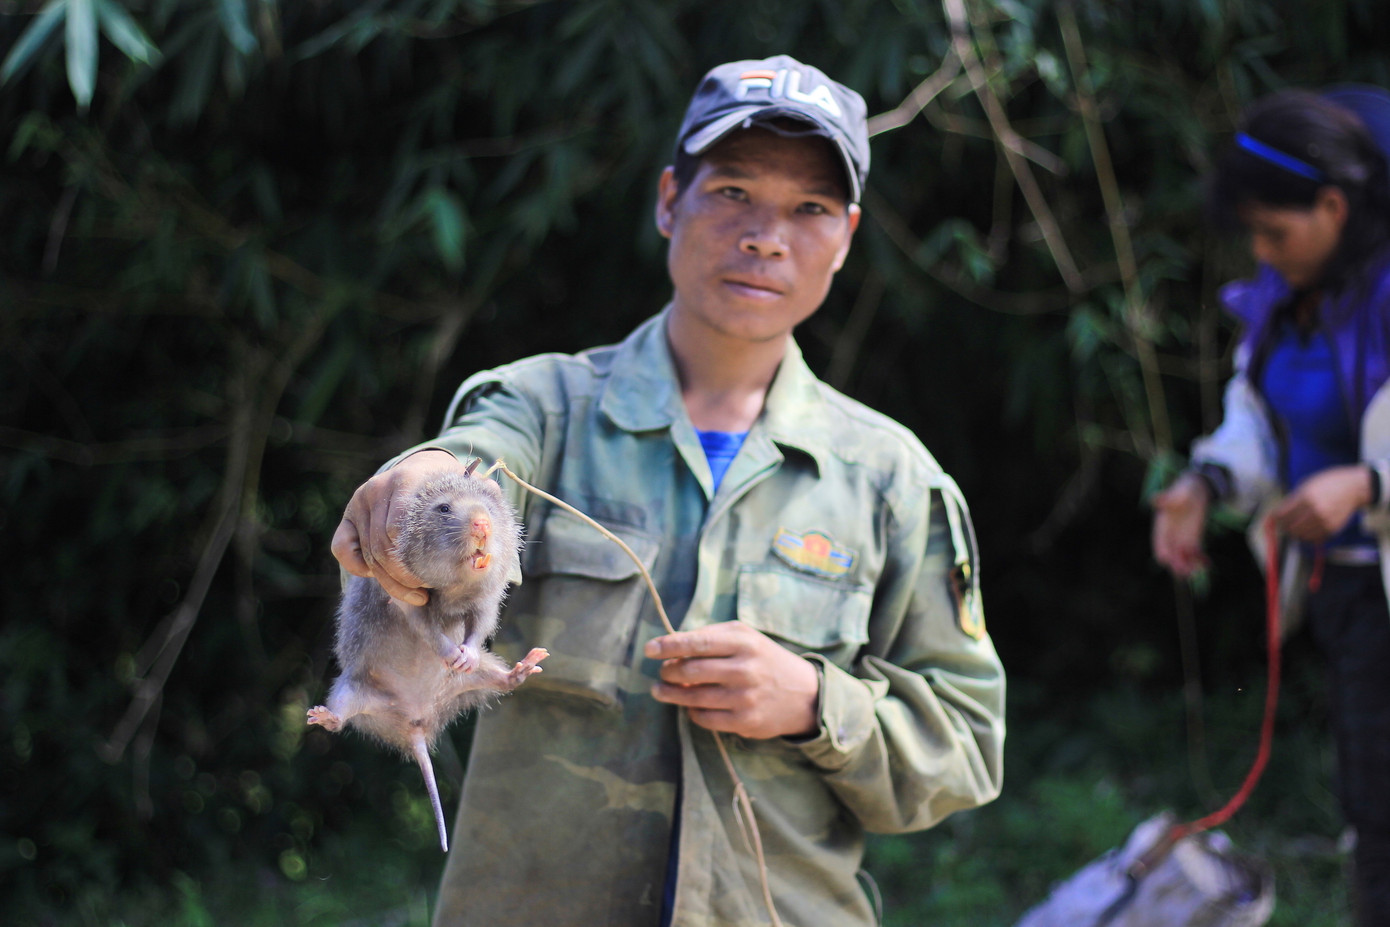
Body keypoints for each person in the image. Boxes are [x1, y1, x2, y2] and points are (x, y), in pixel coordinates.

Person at [331, 54, 1005, 926]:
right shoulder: (543, 407)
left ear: (846, 238)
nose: (766, 234)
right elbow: (475, 466)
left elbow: (967, 749)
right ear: (667, 200)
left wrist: (812, 703)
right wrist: (418, 487)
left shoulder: (892, 480)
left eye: (810, 208)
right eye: (731, 192)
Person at [1152, 85, 1390, 927]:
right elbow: (1257, 416)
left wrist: (1370, 485)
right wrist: (1204, 485)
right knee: (1372, 809)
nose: (1262, 250)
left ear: (1333, 205)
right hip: (1351, 595)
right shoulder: (1289, 304)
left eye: (1274, 232)